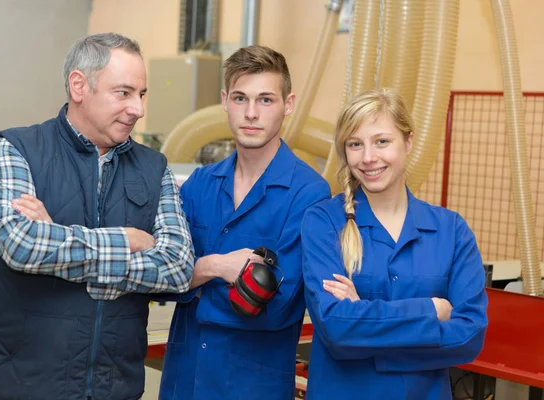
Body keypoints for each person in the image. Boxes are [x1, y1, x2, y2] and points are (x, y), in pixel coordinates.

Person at [0, 33, 194, 400]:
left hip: (114, 388)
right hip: (21, 387)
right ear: (79, 86)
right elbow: (23, 245)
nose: (137, 109)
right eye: (123, 93)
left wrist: (61, 244)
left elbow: (177, 267)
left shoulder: (154, 168)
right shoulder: (15, 150)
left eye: (141, 95)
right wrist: (127, 241)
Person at [158, 45, 331, 400]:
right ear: (224, 100)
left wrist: (191, 280)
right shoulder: (200, 185)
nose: (251, 113)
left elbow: (277, 309)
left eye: (265, 100)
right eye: (240, 98)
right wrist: (218, 267)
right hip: (184, 381)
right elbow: (159, 280)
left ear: (289, 104)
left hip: (252, 387)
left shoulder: (308, 193)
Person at [301, 88, 488, 399]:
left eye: (382, 141)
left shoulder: (450, 230)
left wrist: (363, 321)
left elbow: (470, 334)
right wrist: (430, 310)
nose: (368, 157)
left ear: (409, 141)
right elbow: (335, 328)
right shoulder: (324, 222)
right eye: (355, 144)